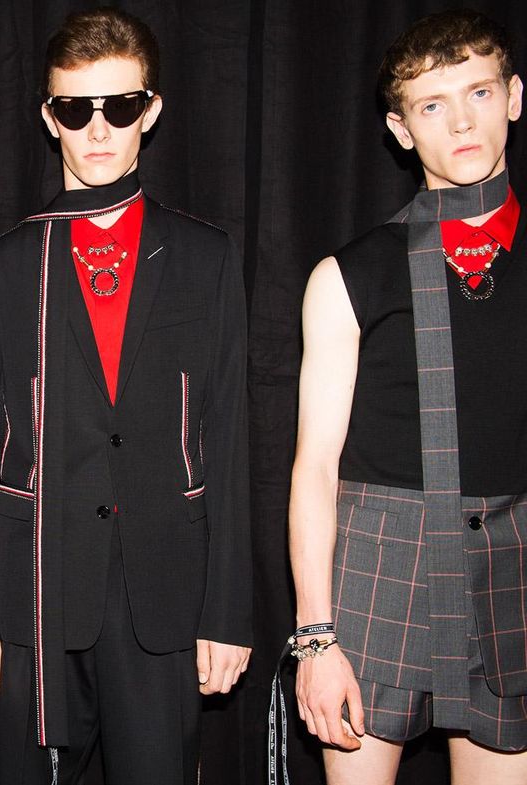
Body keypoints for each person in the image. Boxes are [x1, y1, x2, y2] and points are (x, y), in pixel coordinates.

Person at [0, 7, 252, 784]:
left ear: (150, 109)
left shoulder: (204, 256)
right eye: (74, 109)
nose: (98, 129)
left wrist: (228, 610)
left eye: (118, 106)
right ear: (50, 118)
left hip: (166, 592)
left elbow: (232, 439)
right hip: (33, 594)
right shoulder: (7, 264)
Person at [289, 9, 527, 783]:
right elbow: (314, 468)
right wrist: (316, 639)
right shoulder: (346, 274)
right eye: (432, 105)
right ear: (399, 128)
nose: (461, 120)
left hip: (510, 570)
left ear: (514, 97)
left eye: (480, 92)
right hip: (379, 569)